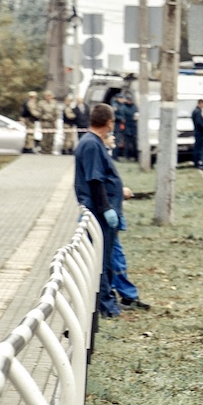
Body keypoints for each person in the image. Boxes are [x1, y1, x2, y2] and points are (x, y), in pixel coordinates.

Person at [73, 102, 132, 320]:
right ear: (109, 123)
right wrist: (106, 208)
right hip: (99, 213)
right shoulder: (91, 145)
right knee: (103, 260)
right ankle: (106, 306)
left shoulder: (93, 142)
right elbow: (95, 180)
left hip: (102, 210)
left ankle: (107, 302)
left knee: (106, 258)